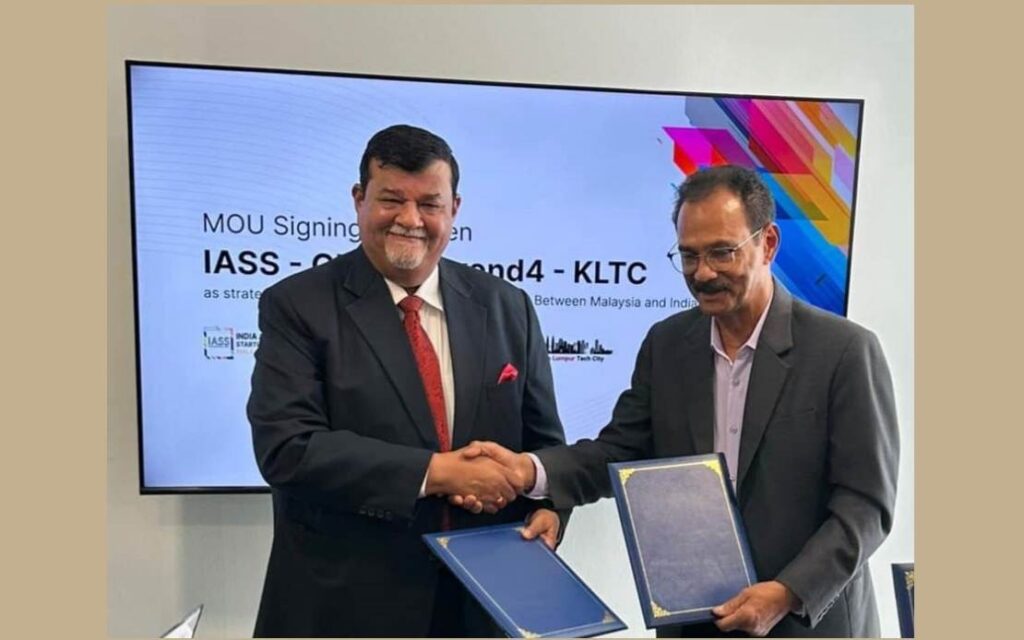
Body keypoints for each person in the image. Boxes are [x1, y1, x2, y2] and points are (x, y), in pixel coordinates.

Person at [459, 165, 899, 637]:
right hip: (695, 623)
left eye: (722, 252)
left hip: (808, 624)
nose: (703, 273)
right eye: (689, 255)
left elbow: (866, 506)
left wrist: (787, 593)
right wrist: (528, 471)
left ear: (768, 244)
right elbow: (618, 451)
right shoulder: (666, 345)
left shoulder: (844, 350)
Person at [247, 124, 567, 637]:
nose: (410, 219)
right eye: (392, 199)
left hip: (482, 608)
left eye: (429, 204)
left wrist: (550, 509)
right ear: (359, 199)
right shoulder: (296, 306)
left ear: (454, 209)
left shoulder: (508, 306)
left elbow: (544, 444)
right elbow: (288, 448)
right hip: (347, 609)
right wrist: (438, 472)